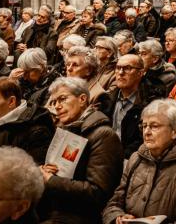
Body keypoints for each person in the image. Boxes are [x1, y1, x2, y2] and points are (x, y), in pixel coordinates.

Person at [102, 98, 176, 224]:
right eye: (144, 126)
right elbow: (113, 203)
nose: (146, 132)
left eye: (154, 126)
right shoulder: (136, 158)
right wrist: (118, 217)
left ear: (175, 131)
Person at [38, 77, 123, 223]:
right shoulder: (66, 130)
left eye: (62, 99)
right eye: (54, 102)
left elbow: (97, 193)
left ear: (82, 99)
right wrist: (46, 172)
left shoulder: (103, 135)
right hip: (57, 210)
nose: (57, 106)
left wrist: (52, 180)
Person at [100, 53, 161, 157]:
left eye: (127, 68)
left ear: (140, 73)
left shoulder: (151, 104)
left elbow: (144, 141)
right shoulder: (107, 98)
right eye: (118, 68)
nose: (121, 72)